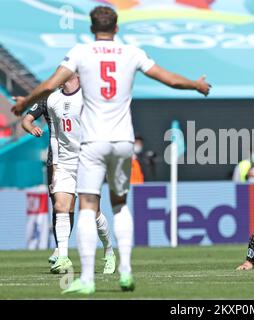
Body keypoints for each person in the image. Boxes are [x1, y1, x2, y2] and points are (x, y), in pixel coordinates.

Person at [11, 6, 210, 294]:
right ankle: (126, 272)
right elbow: (168, 78)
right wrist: (196, 85)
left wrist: (25, 101)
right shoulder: (131, 52)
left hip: (93, 141)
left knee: (89, 206)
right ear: (117, 28)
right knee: (119, 205)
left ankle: (88, 279)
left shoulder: (81, 52)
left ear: (92, 28)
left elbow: (50, 84)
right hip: (123, 140)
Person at [44, 73, 116, 275]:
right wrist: (56, 164)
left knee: (92, 212)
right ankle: (63, 258)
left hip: (88, 162)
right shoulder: (53, 99)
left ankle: (109, 251)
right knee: (60, 206)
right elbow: (55, 135)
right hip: (65, 164)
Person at [21, 98, 62, 265]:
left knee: (92, 208)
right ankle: (60, 250)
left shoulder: (83, 96)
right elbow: (26, 120)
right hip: (56, 160)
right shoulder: (49, 100)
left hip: (83, 157)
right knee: (59, 205)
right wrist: (31, 128)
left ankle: (108, 250)